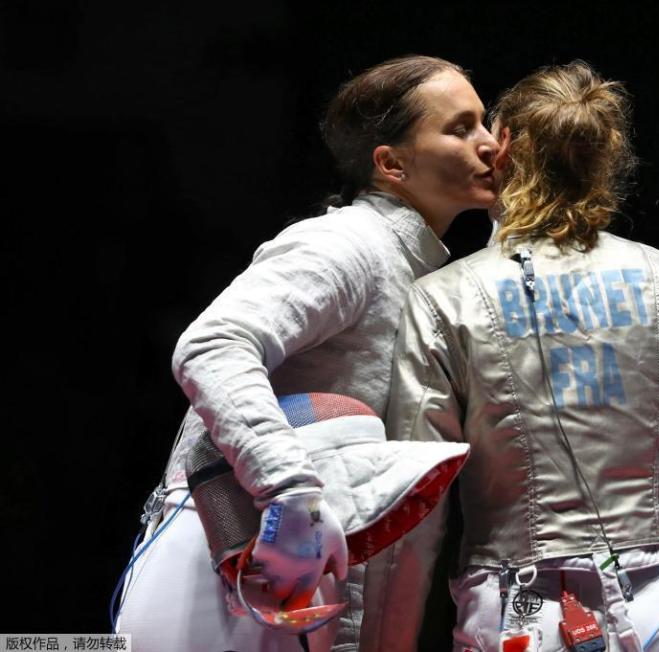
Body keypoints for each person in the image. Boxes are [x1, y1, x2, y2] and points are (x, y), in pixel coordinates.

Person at [361, 60, 659, 651]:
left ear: (504, 148)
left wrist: (387, 642)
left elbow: (415, 505)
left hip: (515, 614)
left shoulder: (445, 298)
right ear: (607, 158)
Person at [114, 54, 499, 652]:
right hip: (241, 571)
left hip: (307, 587)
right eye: (460, 127)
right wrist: (287, 489)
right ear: (391, 163)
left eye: (485, 122)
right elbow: (213, 345)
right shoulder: (346, 244)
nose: (490, 143)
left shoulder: (423, 270)